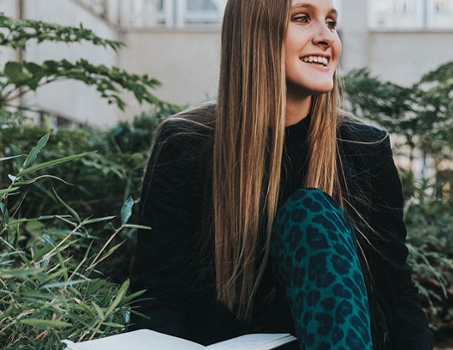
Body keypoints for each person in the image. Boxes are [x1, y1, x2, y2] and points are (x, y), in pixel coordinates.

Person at [129, 0, 433, 349]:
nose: (327, 38)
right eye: (303, 18)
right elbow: (158, 297)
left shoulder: (363, 148)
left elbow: (397, 295)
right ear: (255, 32)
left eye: (332, 23)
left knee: (310, 215)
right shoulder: (186, 145)